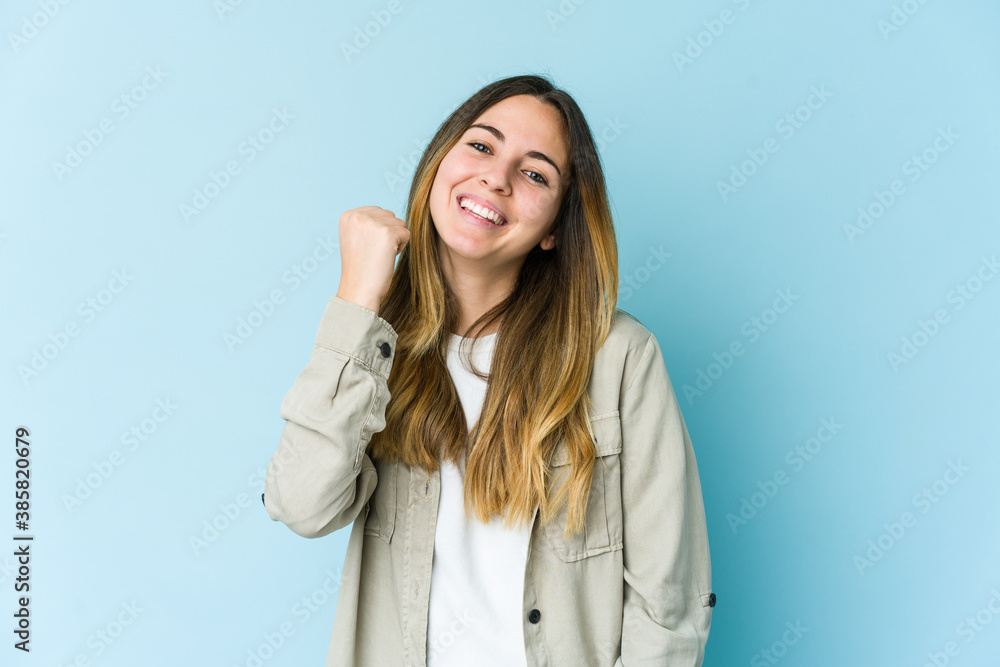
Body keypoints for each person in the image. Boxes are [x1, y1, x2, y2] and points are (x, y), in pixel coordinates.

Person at [262, 74, 715, 666]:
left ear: (555, 228)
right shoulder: (374, 349)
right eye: (481, 145)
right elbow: (303, 506)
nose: (495, 178)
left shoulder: (619, 357)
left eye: (535, 173)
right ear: (439, 163)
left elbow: (669, 607)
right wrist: (357, 300)